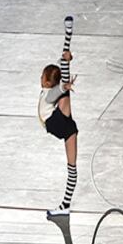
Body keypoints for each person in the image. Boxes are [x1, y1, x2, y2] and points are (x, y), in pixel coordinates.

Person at [39, 16, 78, 218]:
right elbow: (59, 71)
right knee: (63, 67)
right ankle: (68, 36)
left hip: (57, 123)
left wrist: (65, 86)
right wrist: (65, 57)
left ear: (47, 81)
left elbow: (58, 90)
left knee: (72, 168)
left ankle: (65, 205)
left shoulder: (51, 92)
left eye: (42, 77)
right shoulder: (50, 88)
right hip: (64, 125)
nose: (40, 79)